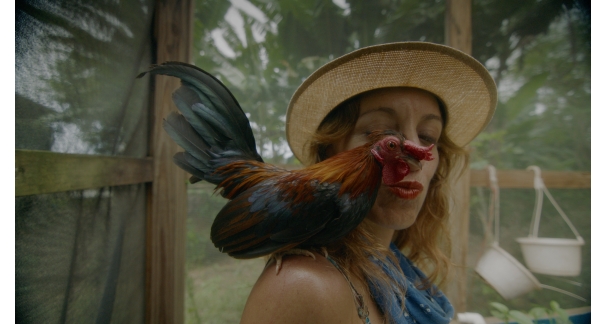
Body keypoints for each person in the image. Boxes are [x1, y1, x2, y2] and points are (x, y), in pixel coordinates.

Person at [240, 42, 497, 324]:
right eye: (381, 134)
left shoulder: (394, 267)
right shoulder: (304, 287)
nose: (414, 157)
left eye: (427, 135)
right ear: (330, 153)